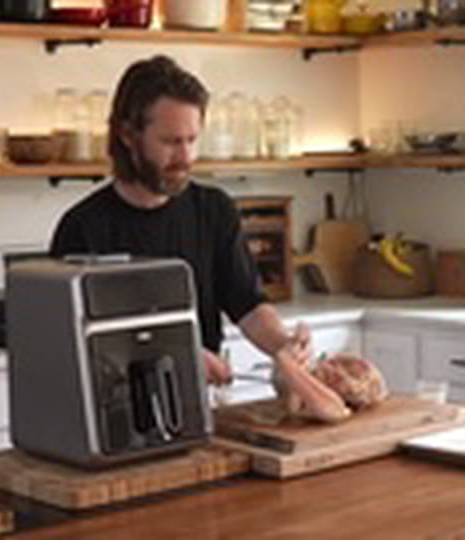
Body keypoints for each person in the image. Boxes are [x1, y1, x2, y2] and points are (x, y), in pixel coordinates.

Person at [49, 55, 310, 385]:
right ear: (128, 135)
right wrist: (176, 355)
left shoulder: (214, 211)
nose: (185, 157)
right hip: (115, 410)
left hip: (200, 400)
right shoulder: (84, 227)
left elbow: (248, 305)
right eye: (171, 142)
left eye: (192, 140)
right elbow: (76, 343)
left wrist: (283, 345)